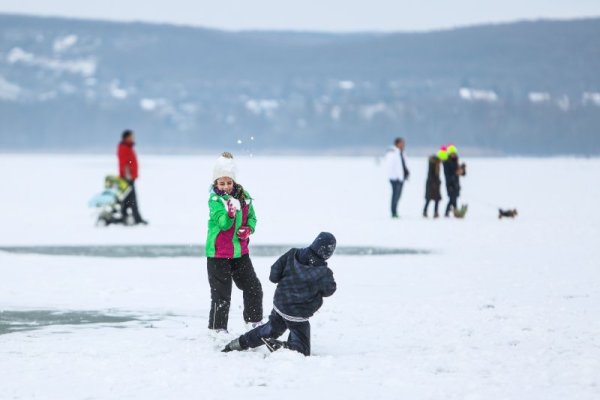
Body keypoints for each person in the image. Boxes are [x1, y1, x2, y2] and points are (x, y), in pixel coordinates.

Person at [222, 232, 337, 356]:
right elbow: (330, 290)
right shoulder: (324, 273)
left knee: (271, 329)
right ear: (328, 252)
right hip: (298, 315)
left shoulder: (292, 254)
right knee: (302, 348)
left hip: (280, 304)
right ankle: (282, 347)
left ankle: (237, 344)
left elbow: (273, 276)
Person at [206, 152, 263, 333]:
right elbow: (223, 224)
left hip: (240, 252)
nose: (226, 187)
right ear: (216, 183)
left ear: (234, 182)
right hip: (218, 254)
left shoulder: (244, 196)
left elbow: (252, 218)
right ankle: (217, 329)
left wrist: (248, 229)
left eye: (229, 182)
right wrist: (230, 214)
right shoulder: (215, 201)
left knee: (253, 287)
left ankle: (254, 322)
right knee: (222, 295)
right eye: (221, 183)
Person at [117, 129, 147, 225]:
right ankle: (137, 219)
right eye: (131, 137)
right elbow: (125, 162)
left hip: (129, 177)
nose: (133, 138)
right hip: (127, 178)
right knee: (132, 200)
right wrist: (128, 175)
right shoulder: (124, 148)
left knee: (127, 200)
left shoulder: (128, 147)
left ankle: (125, 217)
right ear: (126, 138)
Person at [383, 137, 410, 218]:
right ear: (397, 143)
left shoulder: (401, 153)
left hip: (401, 178)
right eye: (402, 143)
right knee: (395, 195)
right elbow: (391, 166)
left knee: (398, 195)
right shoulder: (392, 153)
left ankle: (395, 211)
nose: (403, 145)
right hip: (395, 178)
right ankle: (393, 212)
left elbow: (404, 165)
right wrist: (397, 176)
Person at [442, 144, 466, 217]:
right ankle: (448, 212)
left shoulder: (455, 161)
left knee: (454, 198)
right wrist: (456, 173)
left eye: (454, 153)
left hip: (456, 183)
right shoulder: (446, 162)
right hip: (450, 184)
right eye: (452, 153)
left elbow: (461, 173)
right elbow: (449, 174)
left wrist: (463, 169)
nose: (454, 155)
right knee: (452, 199)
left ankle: (454, 212)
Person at [423, 149, 445, 218]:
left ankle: (435, 212)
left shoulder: (436, 163)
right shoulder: (433, 163)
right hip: (431, 183)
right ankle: (425, 211)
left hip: (435, 183)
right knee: (429, 198)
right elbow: (431, 175)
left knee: (436, 199)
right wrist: (434, 183)